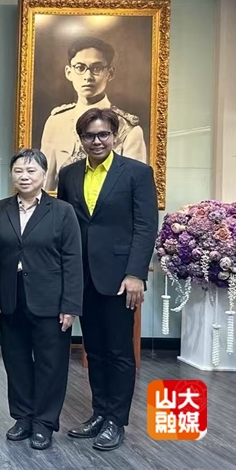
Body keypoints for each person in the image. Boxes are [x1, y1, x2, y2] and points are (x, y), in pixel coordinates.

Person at [58, 108, 157, 451]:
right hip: (81, 276)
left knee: (118, 350)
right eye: (89, 135)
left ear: (114, 136)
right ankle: (99, 412)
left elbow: (146, 226)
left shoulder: (137, 173)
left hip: (119, 277)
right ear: (81, 139)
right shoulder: (69, 174)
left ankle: (116, 419)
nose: (96, 141)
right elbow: (65, 226)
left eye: (103, 134)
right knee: (94, 350)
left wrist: (136, 273)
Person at [0, 148, 82, 451]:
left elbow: (72, 260)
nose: (24, 176)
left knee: (51, 364)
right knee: (16, 360)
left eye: (31, 171)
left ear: (44, 175)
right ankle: (23, 417)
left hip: (51, 300)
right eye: (18, 171)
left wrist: (70, 305)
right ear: (11, 175)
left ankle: (44, 423)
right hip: (10, 297)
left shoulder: (62, 211)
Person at [40, 36, 146, 191]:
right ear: (69, 72)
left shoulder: (129, 130)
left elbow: (134, 187)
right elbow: (46, 185)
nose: (88, 77)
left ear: (110, 73)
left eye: (97, 68)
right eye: (80, 68)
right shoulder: (56, 123)